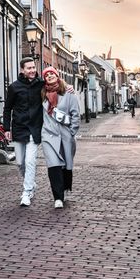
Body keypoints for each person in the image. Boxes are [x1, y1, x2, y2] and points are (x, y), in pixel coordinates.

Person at [3, 58, 43, 207]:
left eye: (33, 67)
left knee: (30, 161)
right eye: (28, 68)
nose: (32, 70)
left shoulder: (41, 84)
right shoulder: (14, 87)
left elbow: (56, 86)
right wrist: (7, 128)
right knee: (20, 162)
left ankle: (26, 192)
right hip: (19, 129)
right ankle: (31, 182)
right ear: (22, 70)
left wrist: (69, 87)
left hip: (34, 129)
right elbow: (7, 109)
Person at [40, 66, 80, 209]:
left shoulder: (68, 94)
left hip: (65, 135)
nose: (49, 76)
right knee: (53, 164)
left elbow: (76, 115)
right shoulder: (41, 93)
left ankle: (64, 189)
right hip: (48, 135)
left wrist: (71, 132)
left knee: (66, 165)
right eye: (46, 75)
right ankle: (57, 197)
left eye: (52, 74)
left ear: (57, 76)